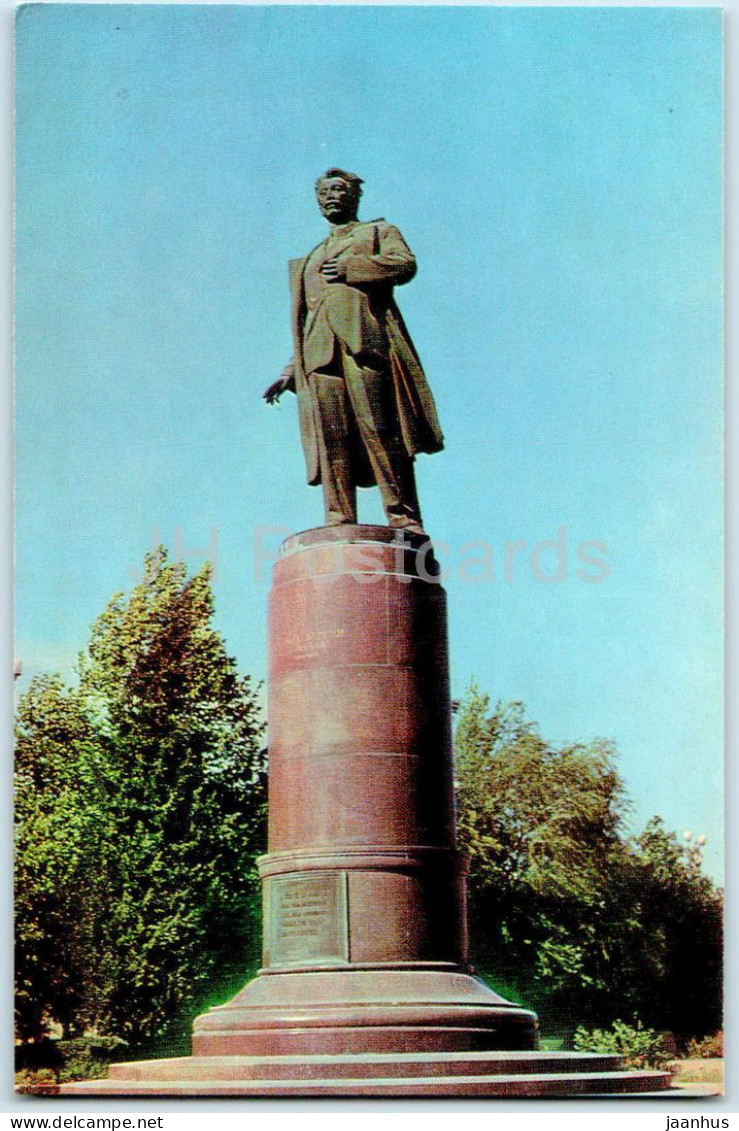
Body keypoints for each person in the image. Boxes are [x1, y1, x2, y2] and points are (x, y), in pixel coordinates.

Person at [263, 168, 443, 533]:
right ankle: (339, 516)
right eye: (324, 192)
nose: (332, 197)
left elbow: (404, 265)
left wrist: (352, 268)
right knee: (333, 438)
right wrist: (289, 371)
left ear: (355, 197)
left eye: (339, 190)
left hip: (364, 344)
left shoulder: (377, 232)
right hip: (318, 355)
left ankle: (404, 517)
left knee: (380, 428)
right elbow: (309, 314)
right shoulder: (311, 257)